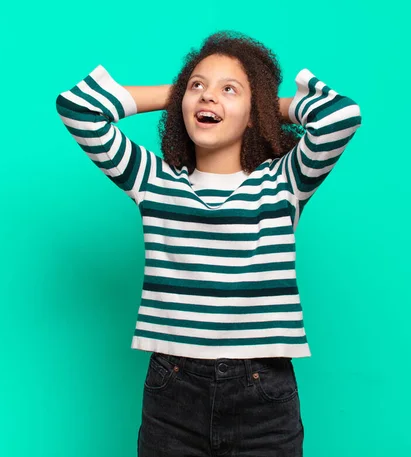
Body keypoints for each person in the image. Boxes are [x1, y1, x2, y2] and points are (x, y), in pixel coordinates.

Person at [55, 30, 362, 457]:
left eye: (228, 89)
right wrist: (182, 92)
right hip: (172, 393)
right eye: (197, 85)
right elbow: (79, 108)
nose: (207, 97)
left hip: (264, 395)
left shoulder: (284, 183)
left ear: (253, 112)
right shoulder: (154, 181)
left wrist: (263, 107)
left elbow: (341, 116)